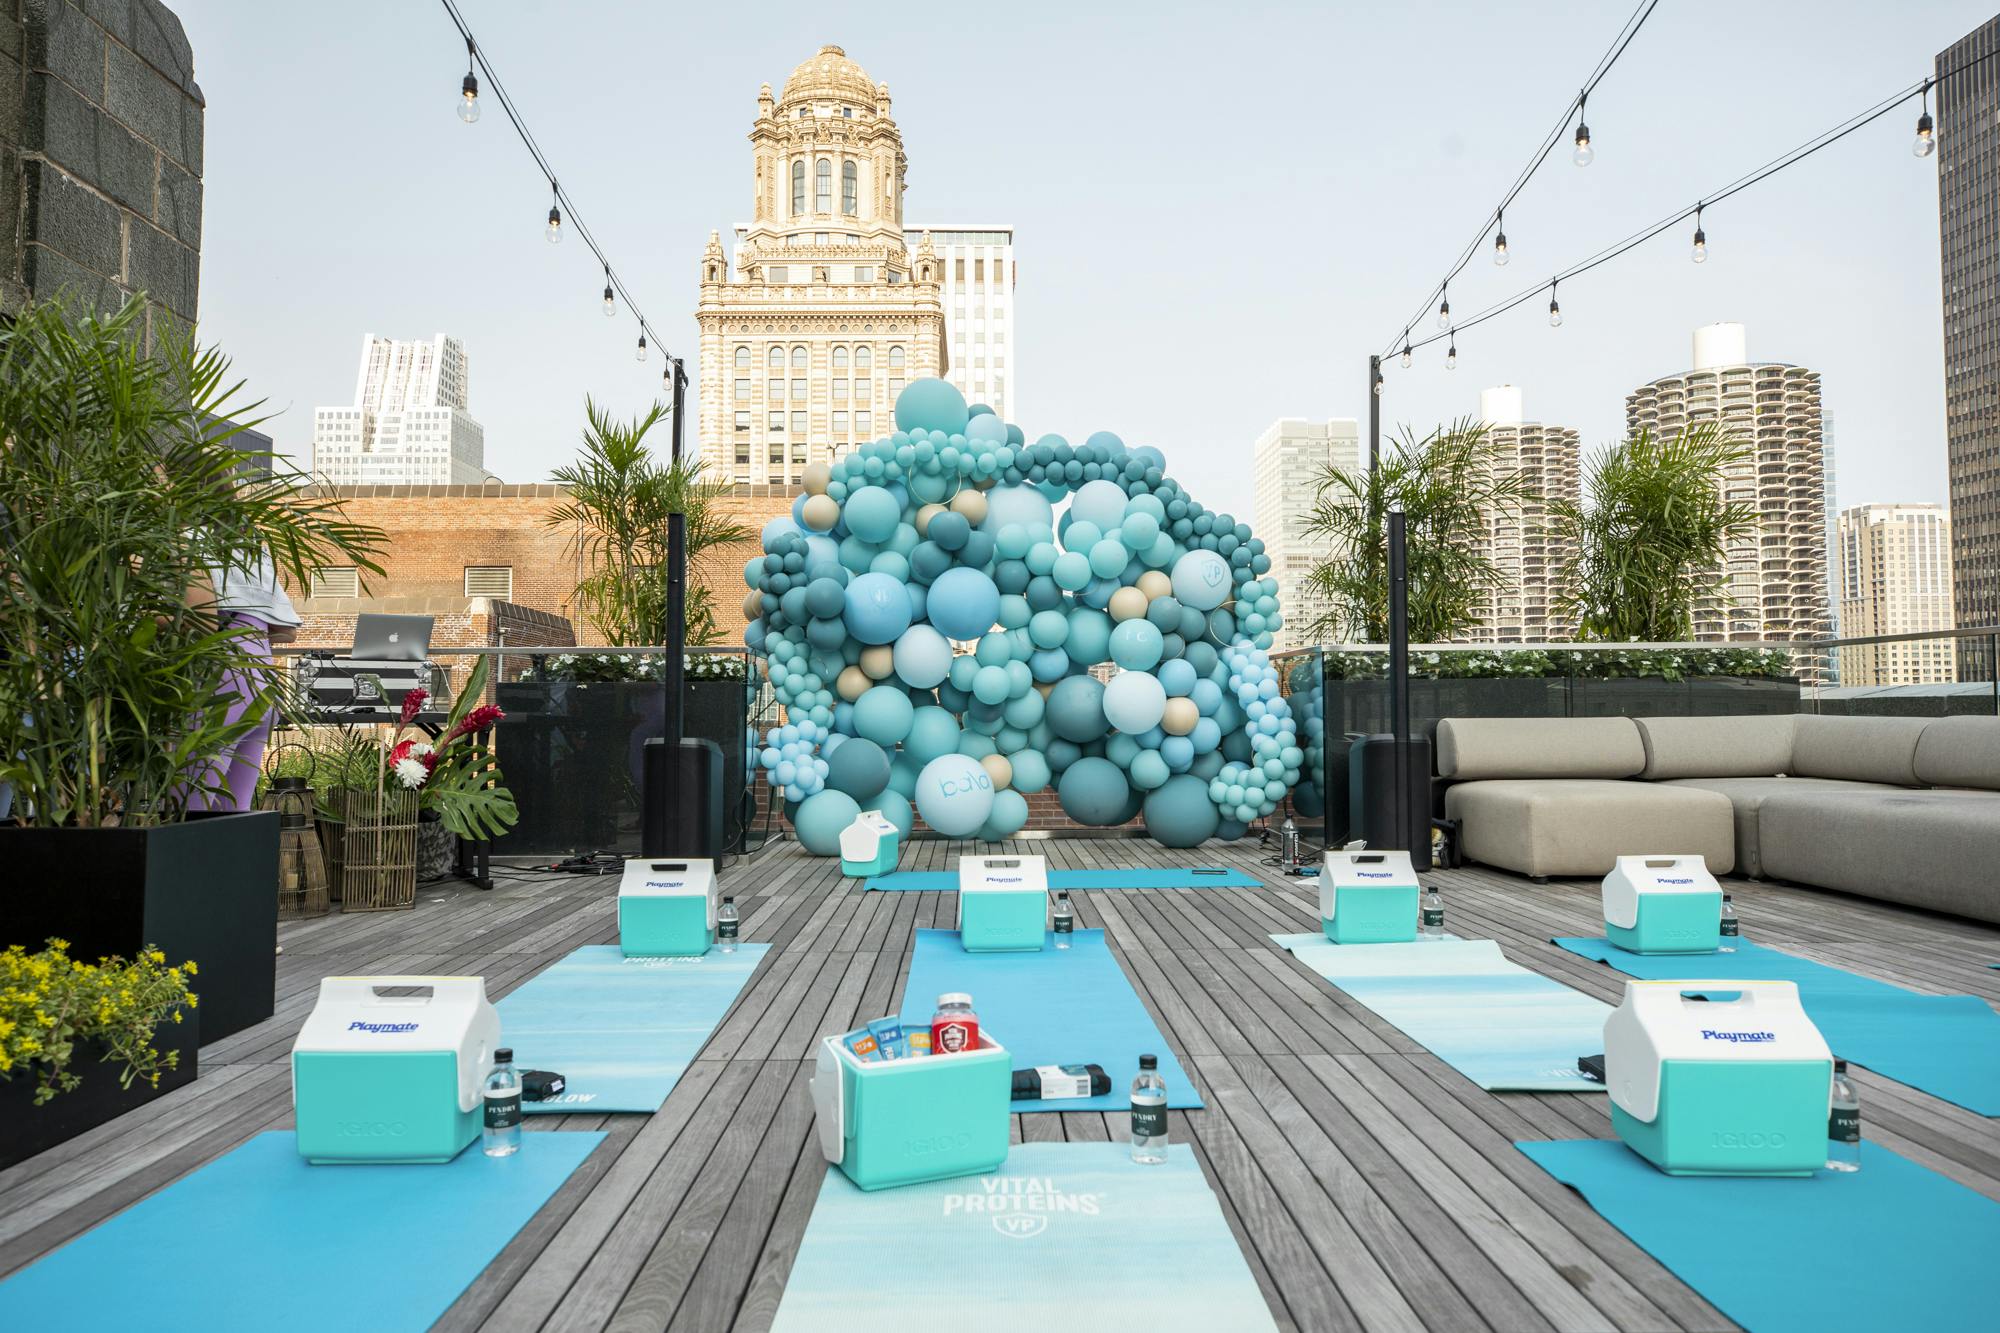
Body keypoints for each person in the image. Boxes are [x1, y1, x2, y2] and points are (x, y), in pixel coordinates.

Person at [184, 549, 301, 813]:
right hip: (261, 679)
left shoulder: (187, 535)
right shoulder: (252, 544)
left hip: (220, 687)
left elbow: (202, 620)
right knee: (234, 817)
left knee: (189, 815)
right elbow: (287, 631)